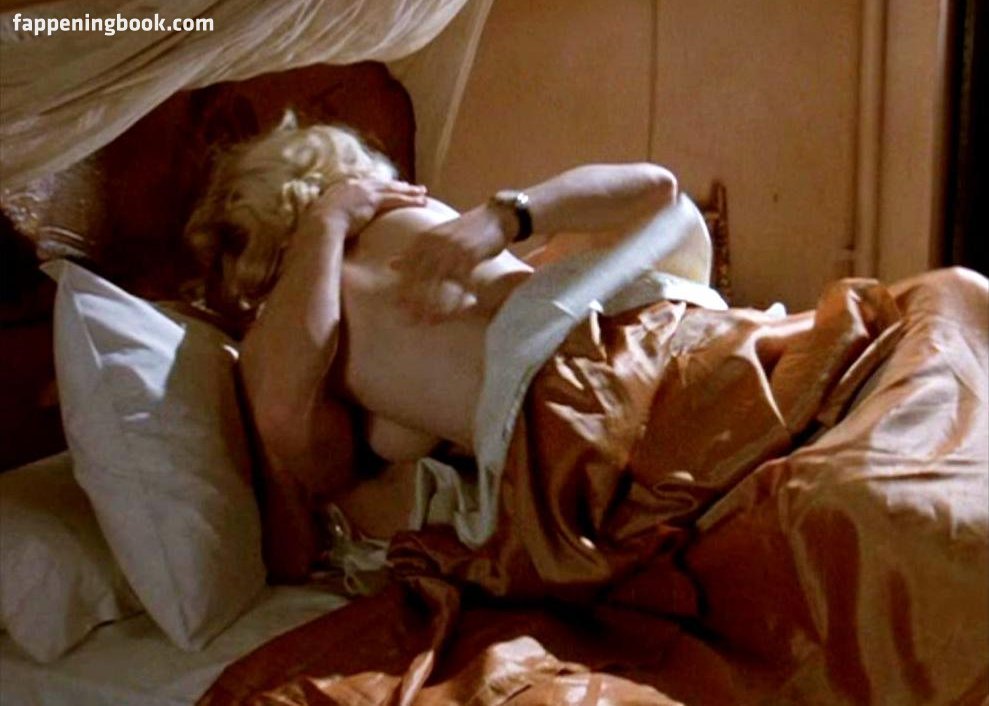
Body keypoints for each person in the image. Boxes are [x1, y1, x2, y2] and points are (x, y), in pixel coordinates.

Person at [186, 115, 691, 581]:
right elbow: (663, 192)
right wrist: (506, 216)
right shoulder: (428, 225)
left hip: (590, 439)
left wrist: (327, 227)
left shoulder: (281, 338)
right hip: (671, 346)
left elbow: (293, 487)